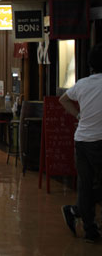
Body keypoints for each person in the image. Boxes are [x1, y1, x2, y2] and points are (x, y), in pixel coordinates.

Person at [59, 42, 102, 243]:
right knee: (95, 186)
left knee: (86, 185)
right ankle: (77, 211)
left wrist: (78, 115)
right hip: (98, 142)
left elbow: (63, 100)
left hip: (81, 140)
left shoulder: (83, 84)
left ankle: (89, 227)